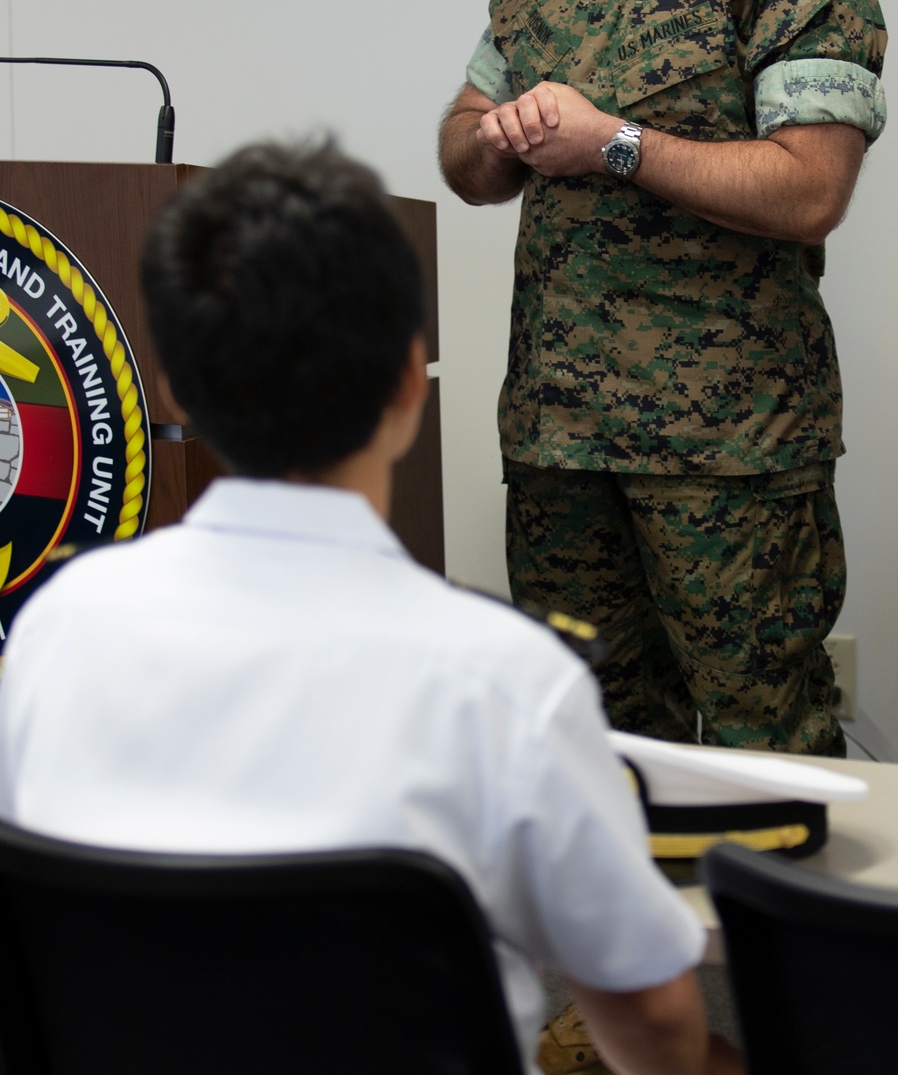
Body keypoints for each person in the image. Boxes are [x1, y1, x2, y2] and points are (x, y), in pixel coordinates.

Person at [0, 139, 740, 1075]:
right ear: (406, 384)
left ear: (175, 386)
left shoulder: (55, 635)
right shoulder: (507, 684)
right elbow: (654, 1025)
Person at [439, 0, 887, 757]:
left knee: (757, 748)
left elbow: (811, 188)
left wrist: (616, 144)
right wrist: (498, 142)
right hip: (557, 441)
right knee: (584, 745)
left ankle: (764, 940)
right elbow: (459, 150)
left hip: (727, 448)